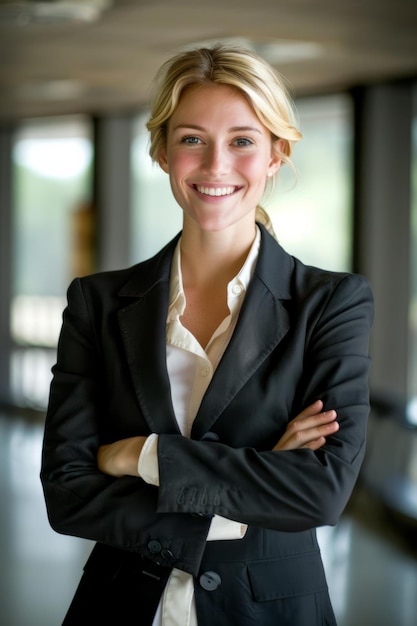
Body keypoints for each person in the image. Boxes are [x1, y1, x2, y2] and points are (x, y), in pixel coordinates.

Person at [41, 43, 374, 626]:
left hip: (272, 610)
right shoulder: (96, 303)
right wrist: (256, 480)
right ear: (163, 152)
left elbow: (320, 492)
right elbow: (68, 493)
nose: (216, 165)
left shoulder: (331, 304)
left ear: (277, 154)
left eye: (243, 141)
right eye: (192, 138)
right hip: (119, 606)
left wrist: (140, 456)